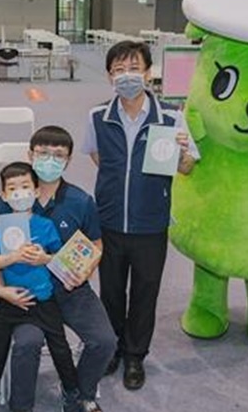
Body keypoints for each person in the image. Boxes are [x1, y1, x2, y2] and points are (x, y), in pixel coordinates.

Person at [83, 41, 199, 391]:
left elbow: (188, 167)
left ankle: (135, 356)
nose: (127, 76)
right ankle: (113, 348)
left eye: (134, 68)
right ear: (109, 76)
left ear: (148, 73)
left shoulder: (171, 118)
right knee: (111, 291)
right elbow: (98, 158)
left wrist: (181, 153)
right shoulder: (97, 116)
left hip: (150, 223)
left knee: (145, 292)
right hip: (109, 221)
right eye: (119, 70)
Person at [0, 125, 116, 412]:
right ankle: (21, 409)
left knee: (104, 341)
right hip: (27, 291)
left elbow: (96, 245)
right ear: (30, 154)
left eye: (58, 155)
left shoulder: (80, 201)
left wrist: (83, 272)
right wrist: (0, 289)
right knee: (27, 343)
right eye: (43, 153)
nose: (50, 160)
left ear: (68, 160)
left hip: (69, 288)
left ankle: (81, 392)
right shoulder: (10, 199)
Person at [0, 162, 78, 412]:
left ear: (36, 191)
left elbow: (61, 259)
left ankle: (71, 390)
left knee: (60, 346)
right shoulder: (1, 227)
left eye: (25, 187)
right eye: (12, 189)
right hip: (11, 300)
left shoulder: (45, 226)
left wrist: (44, 258)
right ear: (3, 195)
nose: (19, 193)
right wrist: (11, 259)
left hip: (44, 299)